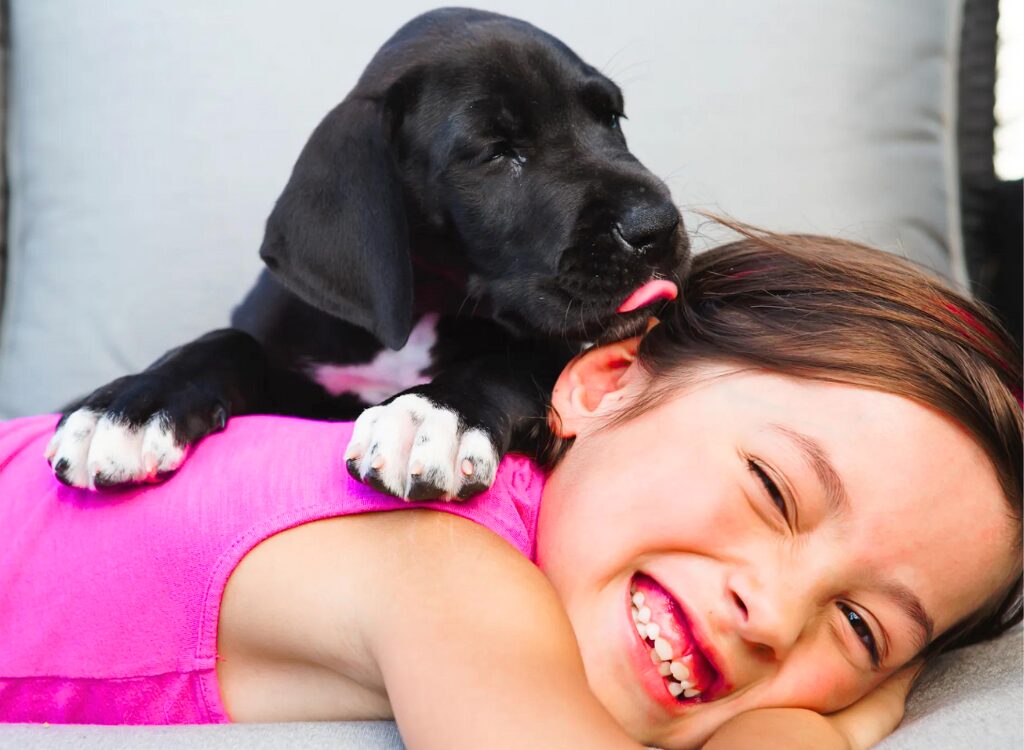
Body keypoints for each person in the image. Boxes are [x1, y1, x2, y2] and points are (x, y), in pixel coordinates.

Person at [1, 225, 1020, 750]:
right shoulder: (437, 561)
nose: (774, 612)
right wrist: (821, 722)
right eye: (775, 489)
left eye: (860, 627)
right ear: (604, 382)